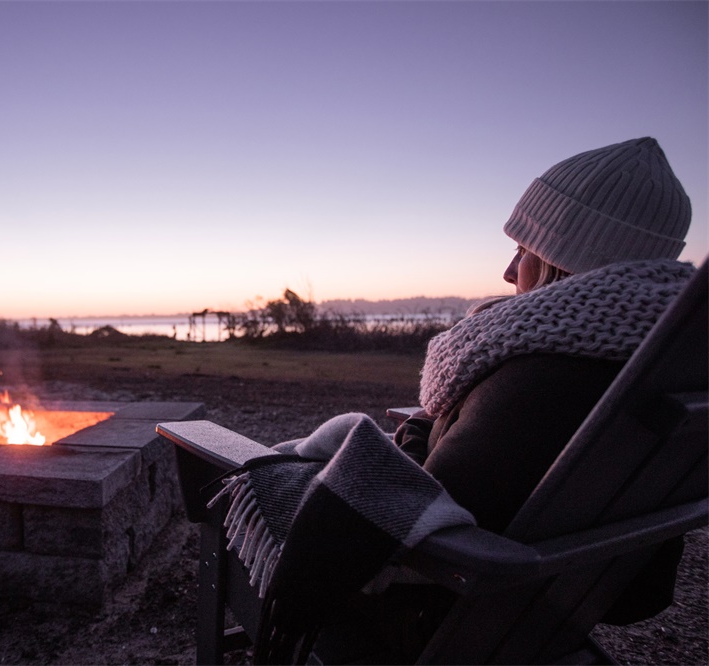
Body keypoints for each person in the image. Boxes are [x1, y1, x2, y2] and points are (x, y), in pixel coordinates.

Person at [256, 137, 697, 663]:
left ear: (562, 261)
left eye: (524, 252)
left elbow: (433, 498)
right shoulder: (657, 366)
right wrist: (436, 424)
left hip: (445, 617)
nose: (510, 273)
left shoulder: (542, 381)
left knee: (268, 475)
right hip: (550, 609)